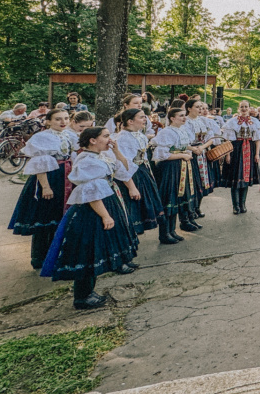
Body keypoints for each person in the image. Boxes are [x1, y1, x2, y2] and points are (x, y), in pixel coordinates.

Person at [40, 126, 139, 309]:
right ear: (93, 140)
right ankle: (82, 297)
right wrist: (105, 216)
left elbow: (124, 170)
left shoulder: (101, 156)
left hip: (106, 203)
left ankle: (88, 293)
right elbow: (91, 192)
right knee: (88, 251)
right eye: (106, 136)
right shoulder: (87, 161)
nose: (110, 139)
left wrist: (116, 151)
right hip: (92, 210)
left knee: (96, 248)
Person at [9, 109, 74, 269]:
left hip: (64, 176)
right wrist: (45, 187)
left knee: (59, 215)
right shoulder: (43, 138)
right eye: (58, 119)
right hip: (50, 177)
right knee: (45, 216)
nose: (63, 122)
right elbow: (39, 164)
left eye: (65, 118)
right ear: (48, 121)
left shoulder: (68, 135)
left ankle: (55, 253)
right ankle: (39, 257)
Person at [114, 108, 166, 241]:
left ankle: (133, 243)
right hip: (131, 177)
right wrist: (131, 186)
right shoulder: (123, 138)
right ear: (130, 121)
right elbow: (122, 165)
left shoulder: (139, 135)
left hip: (142, 173)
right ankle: (128, 245)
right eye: (141, 117)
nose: (145, 120)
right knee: (131, 212)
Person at [152, 107, 199, 237]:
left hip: (180, 166)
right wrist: (182, 156)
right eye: (181, 116)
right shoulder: (166, 132)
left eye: (184, 115)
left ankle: (172, 230)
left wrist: (189, 151)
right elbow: (162, 155)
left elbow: (183, 146)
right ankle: (164, 233)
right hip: (170, 168)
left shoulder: (181, 130)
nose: (184, 118)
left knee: (178, 197)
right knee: (169, 197)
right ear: (172, 118)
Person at [221, 102, 260, 215]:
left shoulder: (254, 121)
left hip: (249, 149)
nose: (244, 109)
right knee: (236, 177)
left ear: (249, 108)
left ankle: (242, 204)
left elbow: (257, 139)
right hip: (236, 149)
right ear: (238, 108)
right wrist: (228, 154)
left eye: (246, 107)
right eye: (242, 107)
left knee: (246, 178)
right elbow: (228, 140)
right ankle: (235, 206)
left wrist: (257, 154)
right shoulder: (232, 122)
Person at [183, 99, 216, 219]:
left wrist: (202, 147)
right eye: (197, 107)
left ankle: (197, 207)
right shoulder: (185, 122)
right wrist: (193, 149)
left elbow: (211, 137)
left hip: (202, 153)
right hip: (190, 154)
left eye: (201, 107)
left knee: (203, 181)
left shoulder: (203, 121)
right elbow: (181, 140)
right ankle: (189, 211)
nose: (200, 110)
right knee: (193, 182)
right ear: (189, 108)